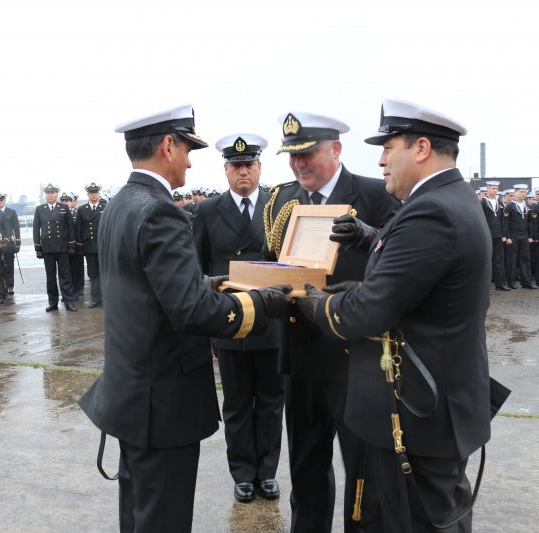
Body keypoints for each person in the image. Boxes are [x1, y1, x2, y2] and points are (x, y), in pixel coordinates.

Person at [78, 105, 291, 533]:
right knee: (164, 520)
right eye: (187, 149)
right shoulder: (160, 211)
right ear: (167, 146)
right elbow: (188, 310)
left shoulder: (120, 204)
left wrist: (209, 283)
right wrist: (260, 305)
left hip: (132, 396)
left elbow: (151, 288)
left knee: (139, 515)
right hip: (163, 403)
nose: (191, 161)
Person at [297, 98, 507, 532]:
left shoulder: (432, 211)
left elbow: (367, 313)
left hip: (417, 416)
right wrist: (369, 238)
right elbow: (415, 278)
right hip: (432, 404)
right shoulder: (448, 199)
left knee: (410, 521)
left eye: (388, 147)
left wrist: (307, 299)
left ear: (422, 148)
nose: (380, 160)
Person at [263, 110, 400, 532]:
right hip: (301, 354)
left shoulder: (377, 194)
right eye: (293, 157)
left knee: (362, 470)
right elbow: (273, 262)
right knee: (305, 464)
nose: (299, 164)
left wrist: (370, 232)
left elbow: (401, 256)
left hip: (353, 357)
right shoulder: (285, 202)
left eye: (308, 154)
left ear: (336, 149)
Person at [192, 133, 284, 503]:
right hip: (229, 322)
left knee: (270, 402)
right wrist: (208, 326)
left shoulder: (278, 207)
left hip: (271, 322)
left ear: (260, 167)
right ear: (226, 170)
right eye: (235, 166)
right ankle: (243, 472)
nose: (243, 171)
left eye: (249, 165)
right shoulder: (207, 211)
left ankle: (268, 472)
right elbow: (198, 270)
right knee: (236, 403)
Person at [32, 184, 77, 312]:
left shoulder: (63, 207)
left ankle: (69, 302)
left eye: (52, 192)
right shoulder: (40, 209)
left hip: (62, 247)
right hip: (47, 248)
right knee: (50, 277)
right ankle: (53, 303)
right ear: (45, 194)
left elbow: (70, 228)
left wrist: (71, 245)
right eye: (48, 192)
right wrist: (38, 248)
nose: (50, 195)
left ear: (57, 194)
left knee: (65, 276)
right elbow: (36, 229)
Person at [76, 182, 106, 308]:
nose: (94, 195)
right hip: (89, 246)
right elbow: (79, 229)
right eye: (91, 193)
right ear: (88, 194)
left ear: (99, 194)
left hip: (103, 246)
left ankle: (105, 299)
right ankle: (95, 298)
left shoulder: (106, 207)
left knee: (104, 273)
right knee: (93, 273)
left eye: (96, 192)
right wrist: (79, 245)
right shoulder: (82, 210)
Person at [502, 184, 536, 289]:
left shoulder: (526, 206)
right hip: (513, 236)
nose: (523, 194)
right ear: (515, 193)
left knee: (525, 259)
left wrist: (530, 236)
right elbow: (505, 222)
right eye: (521, 191)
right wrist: (507, 237)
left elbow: (530, 222)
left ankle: (526, 282)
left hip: (524, 236)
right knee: (512, 260)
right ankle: (511, 283)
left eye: (525, 192)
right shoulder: (510, 206)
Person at [481, 180, 509, 290]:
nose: (495, 191)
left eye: (496, 189)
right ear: (487, 189)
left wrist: (504, 234)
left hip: (498, 235)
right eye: (493, 188)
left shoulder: (499, 203)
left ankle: (500, 284)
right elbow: (481, 220)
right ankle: (484, 285)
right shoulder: (483, 202)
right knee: (486, 260)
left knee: (499, 260)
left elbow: (503, 220)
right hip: (487, 236)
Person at [0, 193, 21, 295]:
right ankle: (1, 286)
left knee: (9, 265)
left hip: (9, 243)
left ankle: (10, 285)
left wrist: (18, 243)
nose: (0, 202)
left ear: (5, 200)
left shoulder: (11, 212)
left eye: (1, 200)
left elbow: (16, 228)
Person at [62, 191, 85, 300]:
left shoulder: (78, 212)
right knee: (66, 271)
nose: (65, 202)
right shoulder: (60, 213)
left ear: (72, 202)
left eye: (67, 200)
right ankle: (68, 292)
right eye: (63, 200)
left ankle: (78, 291)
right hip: (64, 247)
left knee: (77, 269)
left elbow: (81, 230)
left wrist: (79, 245)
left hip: (77, 246)